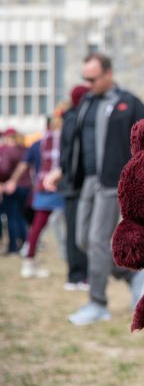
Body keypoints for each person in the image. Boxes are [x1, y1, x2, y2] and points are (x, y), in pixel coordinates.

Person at [66, 52, 144, 325]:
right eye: (85, 78)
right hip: (87, 180)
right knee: (83, 240)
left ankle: (97, 304)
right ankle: (131, 274)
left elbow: (143, 144)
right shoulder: (86, 103)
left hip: (112, 182)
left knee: (99, 242)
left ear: (108, 73)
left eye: (93, 78)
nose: (88, 84)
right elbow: (74, 141)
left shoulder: (129, 103)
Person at [5, 108, 68, 278]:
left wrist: (12, 181)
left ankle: (29, 261)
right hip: (64, 187)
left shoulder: (38, 142)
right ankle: (74, 265)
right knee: (71, 227)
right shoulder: (66, 140)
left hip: (42, 188)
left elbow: (23, 165)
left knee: (37, 227)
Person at [44, 85, 91, 290]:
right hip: (75, 184)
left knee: (77, 230)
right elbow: (70, 153)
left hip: (73, 183)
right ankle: (77, 275)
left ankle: (78, 274)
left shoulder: (71, 117)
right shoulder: (75, 119)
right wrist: (66, 173)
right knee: (76, 230)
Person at [0, 128, 31, 255]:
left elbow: (4, 169)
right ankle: (25, 242)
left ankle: (14, 246)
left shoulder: (9, 150)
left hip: (12, 187)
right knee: (20, 217)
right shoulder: (24, 149)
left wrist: (3, 181)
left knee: (12, 217)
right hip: (26, 186)